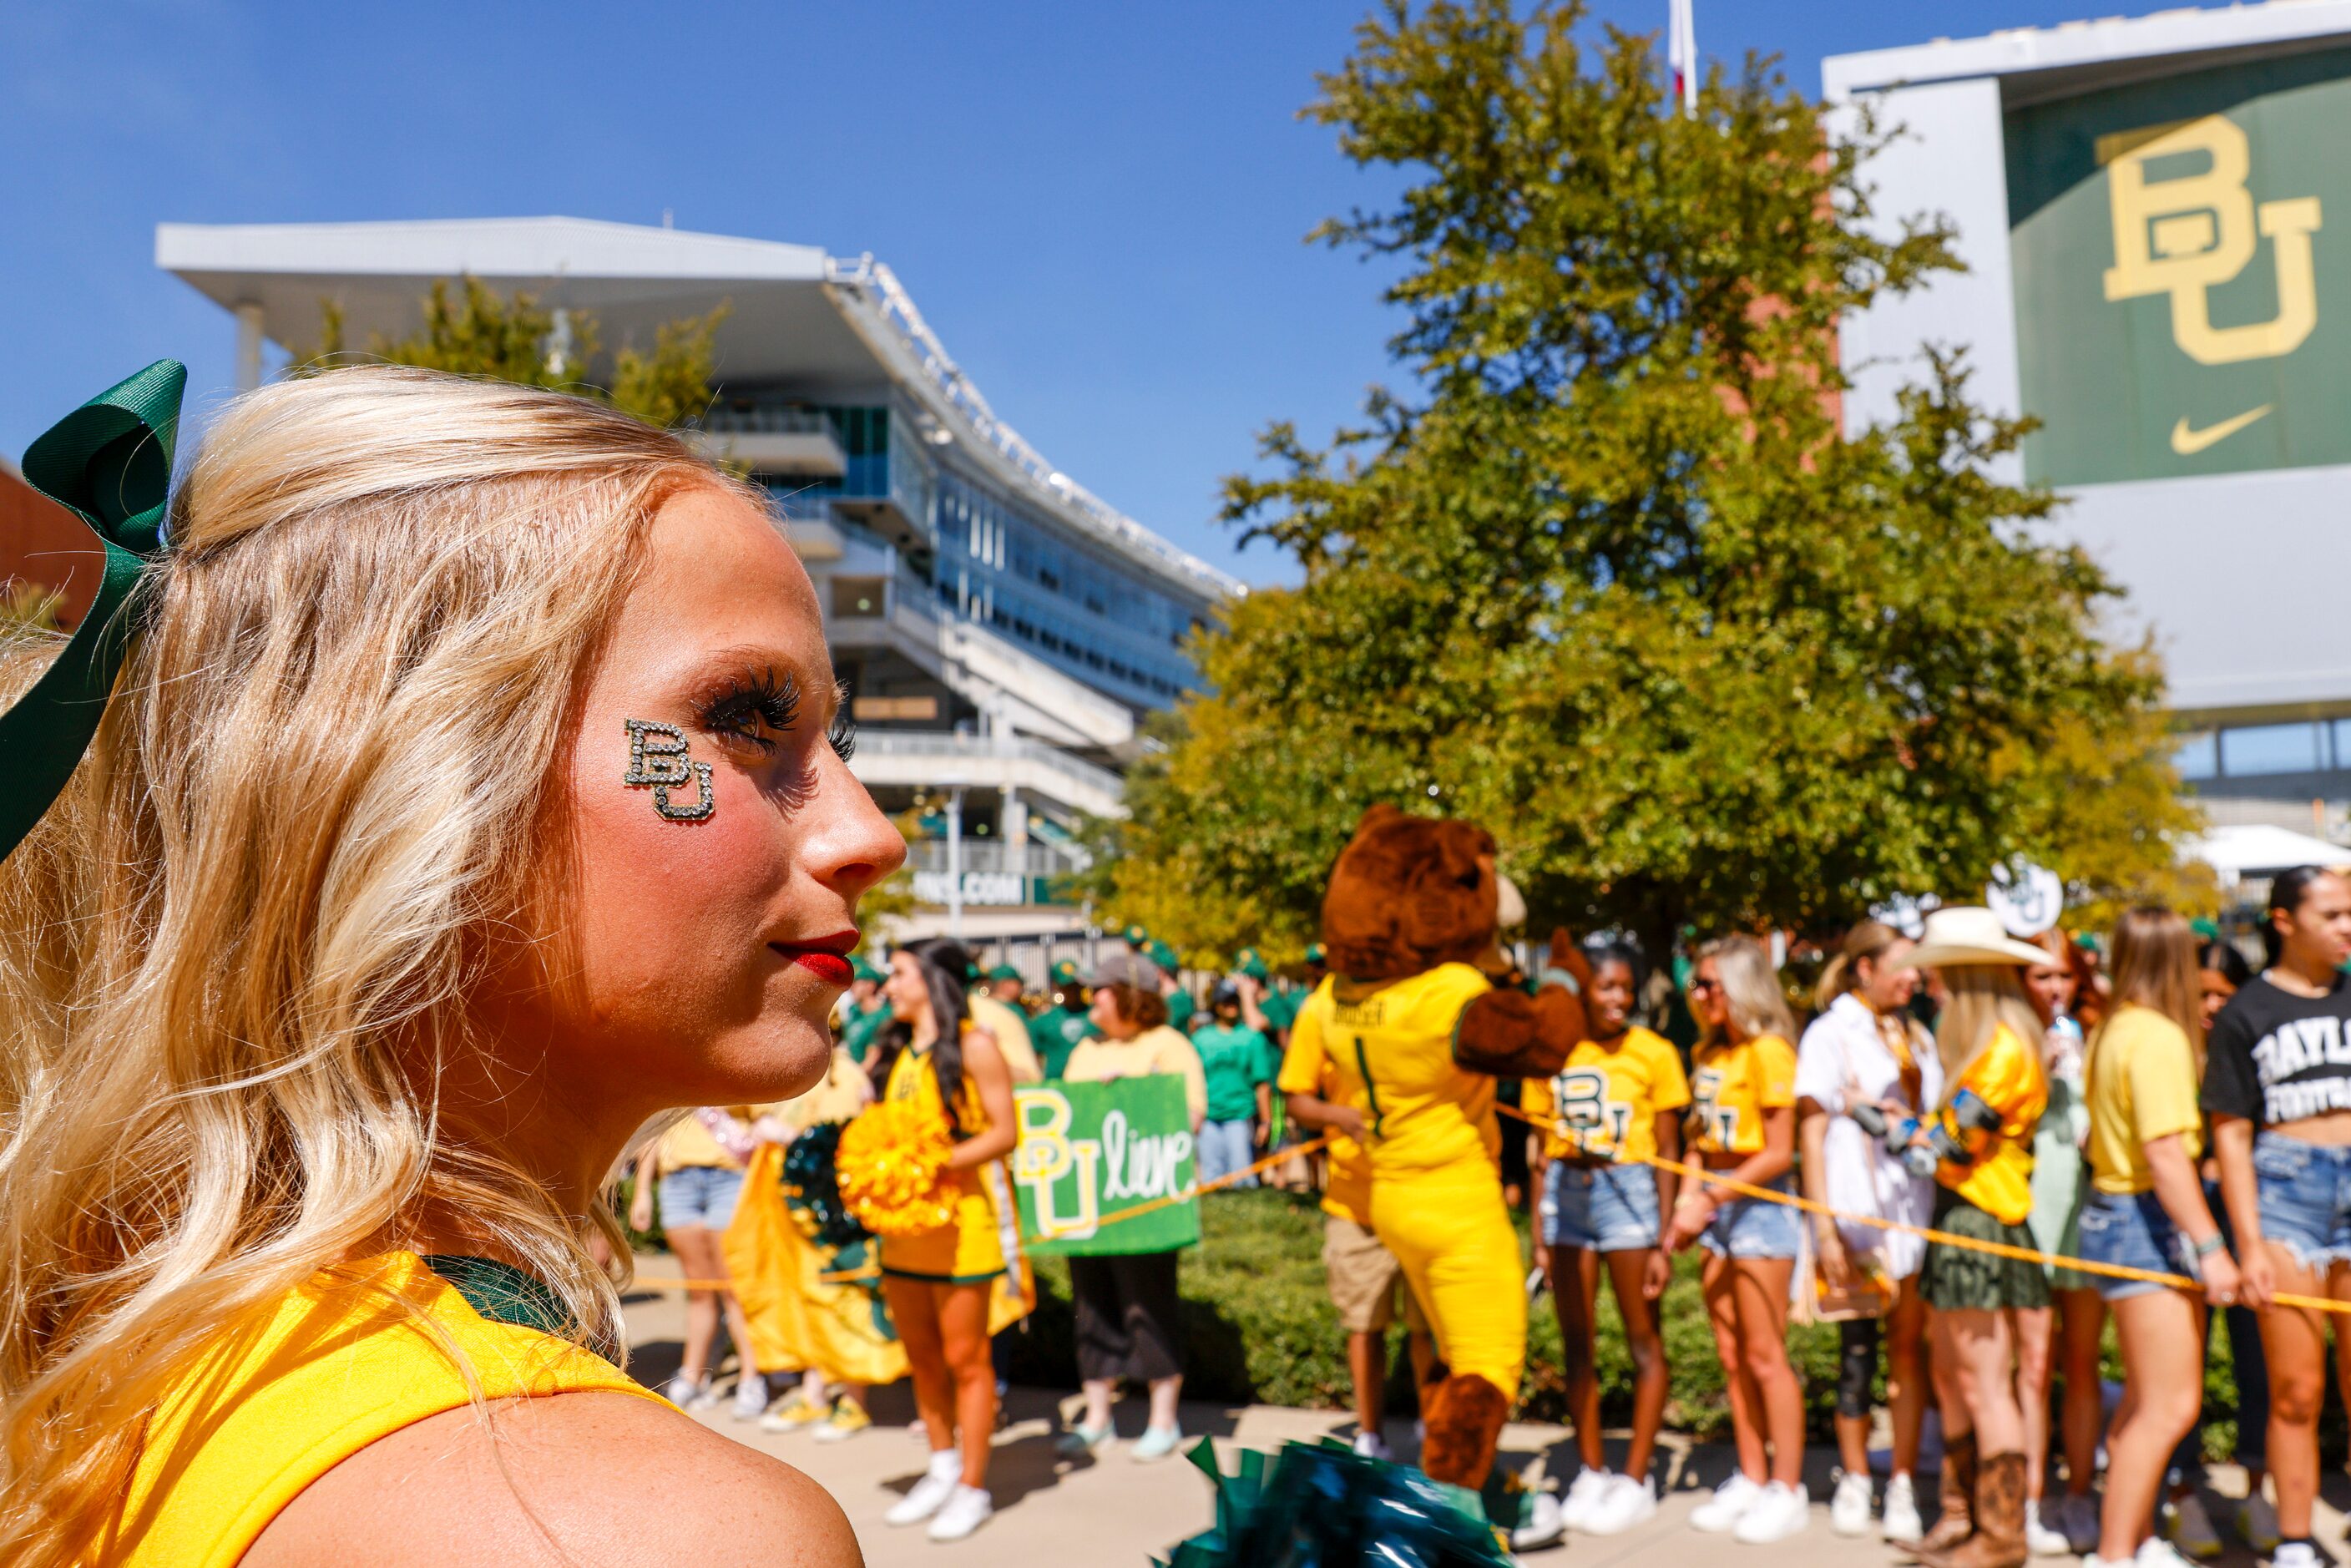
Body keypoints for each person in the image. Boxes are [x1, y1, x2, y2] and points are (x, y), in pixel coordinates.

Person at [0, 364, 892, 1566]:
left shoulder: (116, 1339)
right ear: (405, 773)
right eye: (745, 717)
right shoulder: (634, 1532)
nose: (870, 834)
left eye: (833, 740)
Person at [2078, 908, 2241, 1568]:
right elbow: (2166, 1152)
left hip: (2112, 1215)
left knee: (2145, 1404)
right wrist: (2212, 1247)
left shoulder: (2112, 1029)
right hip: (2144, 1220)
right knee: (2170, 1406)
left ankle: (2134, 1539)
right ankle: (2117, 1553)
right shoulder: (2157, 1038)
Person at [1897, 907, 2055, 1568]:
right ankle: (1966, 1518)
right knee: (1958, 1375)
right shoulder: (1991, 1047)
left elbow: (1948, 1149)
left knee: (1987, 1384)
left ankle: (2001, 1536)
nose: (1930, 988)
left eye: (1939, 977)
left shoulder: (2000, 1054)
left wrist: (1899, 1130)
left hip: (1980, 1221)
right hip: (1967, 1220)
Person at [2205, 866, 2351, 1568]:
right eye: (2331, 915)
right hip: (2286, 1194)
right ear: (2285, 921)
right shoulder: (2245, 1013)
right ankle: (2296, 1540)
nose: (2347, 927)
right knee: (2297, 1388)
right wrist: (2248, 1242)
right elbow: (2229, 1132)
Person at [1526, 941, 1687, 1535]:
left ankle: (1635, 1476)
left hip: (1632, 1193)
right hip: (1568, 1190)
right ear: (1583, 990)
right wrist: (1538, 1232)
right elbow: (1538, 1150)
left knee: (1643, 1338)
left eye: (1627, 987)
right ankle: (1591, 1469)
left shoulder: (1656, 1052)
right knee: (1577, 1341)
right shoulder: (1556, 1051)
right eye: (1607, 987)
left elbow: (1670, 1149)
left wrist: (1666, 1234)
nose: (1619, 998)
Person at [866, 935, 1021, 1540]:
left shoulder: (977, 1045)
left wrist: (938, 1163)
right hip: (906, 1232)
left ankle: (973, 1487)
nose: (891, 986)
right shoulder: (901, 1052)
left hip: (962, 1229)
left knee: (968, 1361)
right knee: (923, 1358)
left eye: (900, 974)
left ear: (933, 980)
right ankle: (941, 1464)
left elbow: (1005, 1133)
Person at [1795, 920, 1940, 1544]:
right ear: (1865, 968)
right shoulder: (1830, 1034)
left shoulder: (1918, 1035)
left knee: (1909, 1355)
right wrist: (1823, 1227)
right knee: (1856, 1354)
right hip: (1855, 1219)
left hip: (1913, 1217)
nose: (1913, 976)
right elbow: (1810, 1132)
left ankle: (1902, 1479)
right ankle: (1855, 1475)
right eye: (1902, 965)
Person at [1663, 935, 1809, 1545]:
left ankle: (1787, 1486)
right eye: (1695, 984)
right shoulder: (1709, 1051)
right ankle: (1751, 1475)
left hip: (1759, 1206)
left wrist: (1709, 1201)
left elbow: (1779, 1152)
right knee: (1730, 1354)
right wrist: (1684, 1208)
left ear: (1743, 989)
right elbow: (1698, 1139)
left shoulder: (1770, 1052)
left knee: (1764, 1354)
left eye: (1708, 985)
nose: (1696, 995)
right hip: (1713, 1202)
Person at [1057, 950, 1209, 1460]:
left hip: (1145, 1206)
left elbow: (1188, 1116)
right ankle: (1098, 1416)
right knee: (1091, 1307)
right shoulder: (1085, 1050)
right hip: (1089, 1204)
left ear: (1126, 994)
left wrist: (1128, 1096)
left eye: (1098, 988)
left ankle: (1162, 1418)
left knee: (1149, 1305)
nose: (1089, 997)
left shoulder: (1169, 1045)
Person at [1280, 991, 1438, 1462]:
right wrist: (1338, 1116)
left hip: (1421, 1195)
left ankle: (1435, 1426)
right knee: (1363, 1325)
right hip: (1356, 1204)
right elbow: (1297, 1099)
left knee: (1428, 1327)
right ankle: (1371, 1437)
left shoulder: (1422, 992)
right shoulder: (1321, 1006)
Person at [2154, 938, 2270, 1559]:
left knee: (2258, 1361)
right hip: (2184, 1222)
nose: (2211, 1005)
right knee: (2181, 1368)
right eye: (2201, 992)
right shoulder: (2167, 1051)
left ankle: (2256, 1489)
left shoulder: (2254, 1042)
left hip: (2248, 1218)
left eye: (2223, 994)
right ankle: (2185, 1494)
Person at [2020, 927, 2105, 1556]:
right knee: (2029, 1367)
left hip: (2086, 1215)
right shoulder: (2008, 1038)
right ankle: (2027, 1497)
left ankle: (2078, 1492)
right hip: (2025, 1214)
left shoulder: (2101, 1036)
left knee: (2079, 1363)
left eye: (2063, 976)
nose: (2053, 987)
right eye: (2041, 975)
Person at [628, 1108, 770, 1417]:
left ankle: (752, 1375)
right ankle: (693, 1376)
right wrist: (642, 1192)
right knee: (700, 1292)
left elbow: (765, 1118)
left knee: (734, 1289)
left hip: (729, 1176)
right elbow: (654, 1127)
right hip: (678, 1183)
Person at [1191, 979, 1279, 1188]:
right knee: (1211, 1178)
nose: (1230, 1006)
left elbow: (1262, 1083)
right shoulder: (1201, 1039)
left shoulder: (1251, 1038)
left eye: (1234, 1001)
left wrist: (1266, 1122)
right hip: (1208, 1117)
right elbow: (1192, 1081)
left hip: (1240, 1116)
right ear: (1216, 1004)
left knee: (1243, 1177)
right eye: (1225, 1001)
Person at [1030, 959, 1094, 1079]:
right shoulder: (1044, 1021)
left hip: (1090, 1081)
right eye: (1067, 987)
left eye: (1075, 986)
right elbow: (1034, 1055)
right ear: (1056, 987)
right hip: (1056, 1084)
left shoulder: (1096, 1016)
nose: (1073, 991)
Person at [838, 957, 894, 1065]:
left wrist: (857, 1080)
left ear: (870, 985)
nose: (851, 987)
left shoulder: (885, 1015)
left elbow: (874, 1056)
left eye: (856, 982)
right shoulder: (854, 1012)